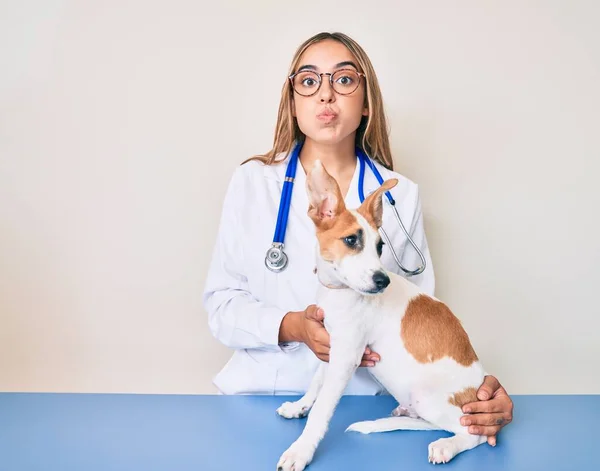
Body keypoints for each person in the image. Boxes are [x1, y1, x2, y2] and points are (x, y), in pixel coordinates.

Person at [203, 31, 513, 445]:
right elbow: (221, 306)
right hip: (261, 394)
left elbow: (413, 316)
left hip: (363, 402)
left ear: (367, 102)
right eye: (309, 81)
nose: (326, 94)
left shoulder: (399, 193)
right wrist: (293, 326)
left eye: (344, 79)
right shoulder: (252, 183)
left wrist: (469, 395)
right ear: (292, 103)